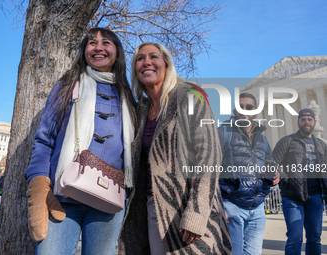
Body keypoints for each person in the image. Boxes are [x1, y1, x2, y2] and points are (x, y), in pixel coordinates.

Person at [25, 27, 137, 255]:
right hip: (62, 197)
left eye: (106, 43)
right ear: (84, 50)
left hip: (109, 202)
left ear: (117, 51)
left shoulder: (128, 97)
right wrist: (37, 185)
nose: (98, 47)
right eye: (91, 43)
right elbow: (44, 140)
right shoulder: (66, 87)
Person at [118, 42, 231, 255]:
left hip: (189, 207)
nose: (146, 62)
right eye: (140, 59)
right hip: (155, 208)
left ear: (166, 65)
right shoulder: (141, 109)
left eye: (153, 57)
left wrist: (196, 214)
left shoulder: (188, 95)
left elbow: (209, 156)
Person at [218, 92, 279, 255]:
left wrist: (274, 174)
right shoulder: (223, 132)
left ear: (255, 111)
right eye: (240, 106)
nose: (244, 110)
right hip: (231, 205)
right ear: (234, 111)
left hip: (258, 208)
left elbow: (270, 163)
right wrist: (217, 204)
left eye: (249, 107)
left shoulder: (263, 139)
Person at [273, 108, 327, 255]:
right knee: (295, 238)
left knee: (315, 238)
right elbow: (273, 162)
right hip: (292, 197)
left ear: (315, 122)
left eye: (309, 119)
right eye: (303, 119)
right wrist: (286, 179)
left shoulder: (321, 145)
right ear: (298, 122)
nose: (306, 122)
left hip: (315, 197)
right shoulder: (287, 141)